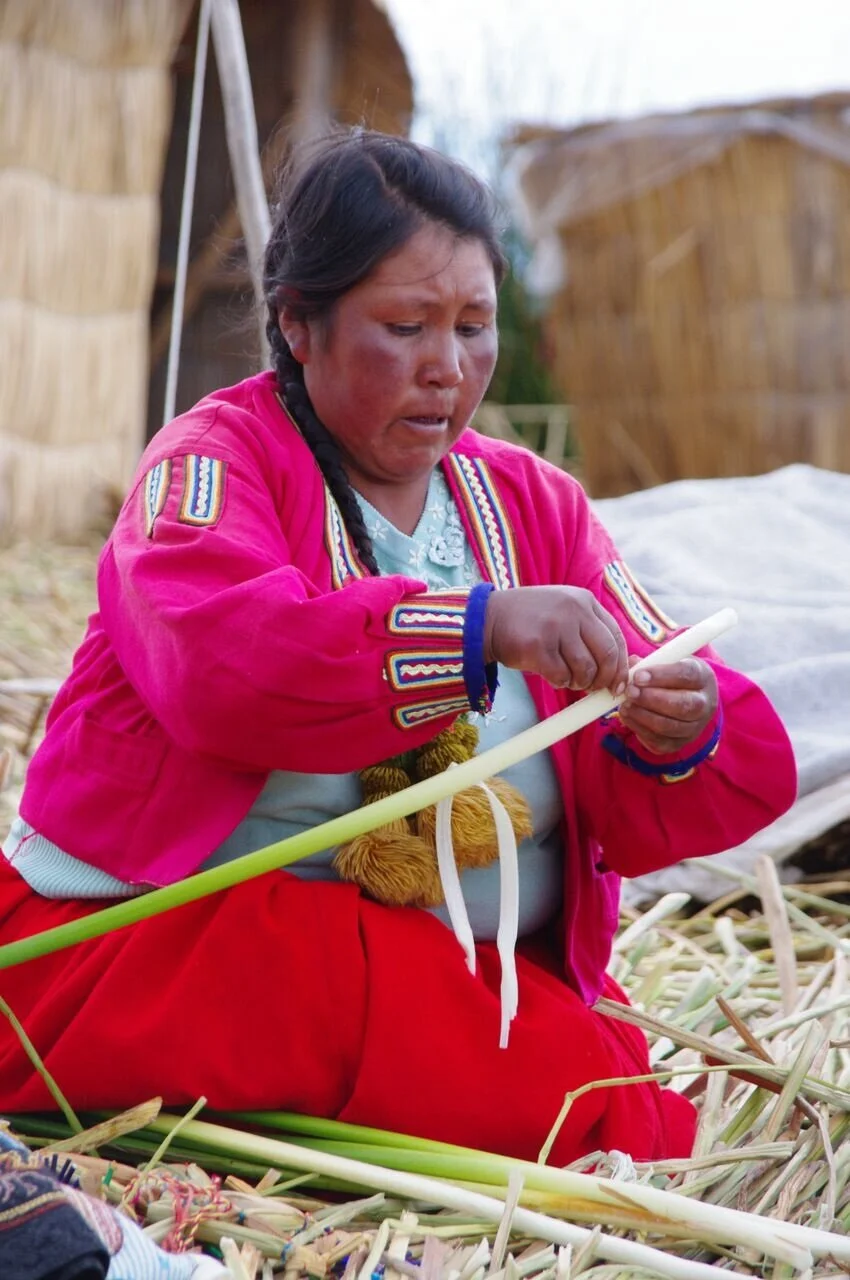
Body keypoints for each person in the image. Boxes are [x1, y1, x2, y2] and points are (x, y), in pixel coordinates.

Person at [0, 129, 795, 1165]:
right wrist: (479, 627)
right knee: (587, 1114)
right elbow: (223, 666)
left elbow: (665, 689)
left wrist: (674, 722)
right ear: (299, 323)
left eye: (474, 326)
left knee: (599, 1087)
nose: (447, 368)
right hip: (169, 948)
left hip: (470, 972)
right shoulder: (211, 467)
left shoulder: (535, 503)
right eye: (406, 326)